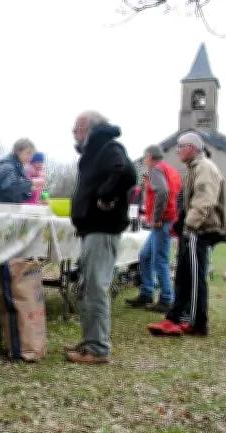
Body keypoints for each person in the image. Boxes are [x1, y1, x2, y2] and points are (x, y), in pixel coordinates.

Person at [65, 111, 137, 364]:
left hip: (102, 228)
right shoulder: (98, 149)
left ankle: (98, 348)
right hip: (93, 228)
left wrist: (106, 197)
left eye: (76, 129)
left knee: (96, 287)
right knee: (88, 286)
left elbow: (127, 173)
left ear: (86, 127)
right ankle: (91, 342)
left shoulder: (108, 147)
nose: (73, 134)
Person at [147, 132, 226, 337]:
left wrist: (189, 226)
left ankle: (196, 322)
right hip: (194, 230)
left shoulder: (204, 168)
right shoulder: (194, 168)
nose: (177, 151)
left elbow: (204, 201)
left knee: (193, 276)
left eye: (180, 147)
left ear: (191, 148)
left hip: (200, 230)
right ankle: (175, 318)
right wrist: (180, 224)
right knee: (184, 275)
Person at [126, 145, 182, 312]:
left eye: (145, 158)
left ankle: (166, 299)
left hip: (163, 221)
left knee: (160, 260)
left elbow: (163, 192)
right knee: (145, 255)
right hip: (167, 218)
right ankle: (147, 293)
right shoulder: (170, 170)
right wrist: (147, 185)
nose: (145, 161)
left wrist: (156, 217)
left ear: (149, 157)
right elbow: (173, 191)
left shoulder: (156, 170)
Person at [0, 138, 43, 203]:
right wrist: (32, 182)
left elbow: (22, 195)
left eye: (31, 155)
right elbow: (12, 187)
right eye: (28, 153)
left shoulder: (19, 169)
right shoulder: (7, 167)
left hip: (10, 209)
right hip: (1, 209)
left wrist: (33, 193)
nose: (30, 158)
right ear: (18, 152)